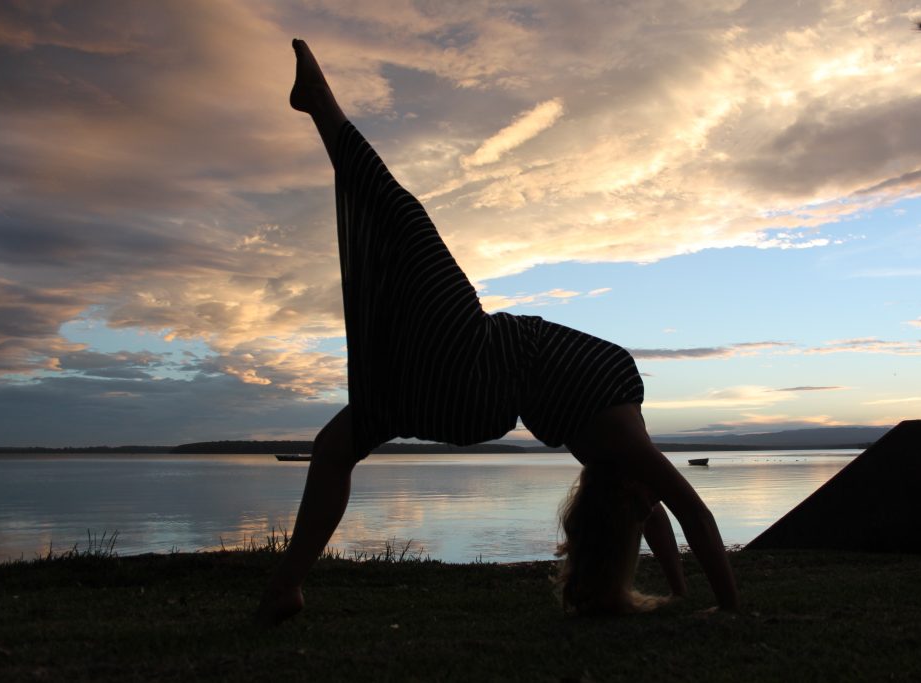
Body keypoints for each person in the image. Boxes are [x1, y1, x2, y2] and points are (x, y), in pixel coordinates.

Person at [255, 39, 739, 624]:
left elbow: (691, 512)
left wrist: (730, 607)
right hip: (465, 390)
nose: (650, 501)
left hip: (476, 359)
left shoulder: (618, 429)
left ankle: (321, 106)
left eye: (643, 504)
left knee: (405, 222)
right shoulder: (618, 458)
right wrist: (681, 596)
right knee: (336, 447)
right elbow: (661, 514)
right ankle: (285, 587)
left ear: (628, 500)